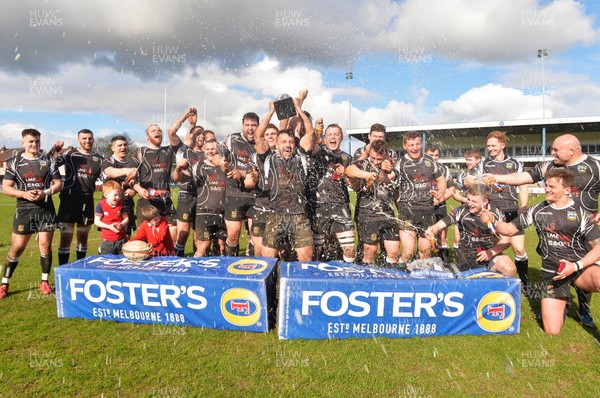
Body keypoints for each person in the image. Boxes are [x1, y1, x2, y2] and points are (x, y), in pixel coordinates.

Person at [482, 133, 600, 326]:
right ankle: (560, 300)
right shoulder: (549, 166)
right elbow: (523, 177)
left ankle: (584, 310)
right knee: (557, 263)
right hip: (554, 228)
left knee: (586, 268)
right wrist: (497, 177)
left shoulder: (595, 166)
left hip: (585, 229)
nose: (551, 152)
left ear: (572, 150)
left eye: (555, 149)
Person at [1, 129, 63, 298]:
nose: (34, 144)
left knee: (44, 245)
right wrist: (23, 194)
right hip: (24, 209)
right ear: (23, 143)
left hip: (45, 209)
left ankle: (44, 281)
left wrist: (46, 193)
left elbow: (58, 184)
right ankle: (4, 282)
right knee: (18, 247)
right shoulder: (14, 161)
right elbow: (6, 187)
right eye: (30, 141)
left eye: (36, 141)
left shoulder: (48, 160)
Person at [254, 93, 315, 262]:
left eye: (291, 142)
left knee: (306, 260)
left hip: (299, 215)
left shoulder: (301, 157)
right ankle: (272, 287)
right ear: (277, 144)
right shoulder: (268, 158)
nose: (288, 145)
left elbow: (309, 132)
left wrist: (298, 108)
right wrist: (272, 111)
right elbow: (258, 136)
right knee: (268, 261)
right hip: (275, 214)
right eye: (284, 142)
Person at [477, 131, 529, 291]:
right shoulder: (484, 164)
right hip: (493, 211)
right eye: (488, 146)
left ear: (502, 145)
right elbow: (478, 187)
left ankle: (525, 284)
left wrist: (523, 206)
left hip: (513, 210)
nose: (490, 149)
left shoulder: (514, 163)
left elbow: (523, 185)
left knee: (519, 248)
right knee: (495, 245)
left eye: (493, 145)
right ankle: (495, 280)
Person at [425, 185, 516, 276]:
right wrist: (432, 231)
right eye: (468, 199)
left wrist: (491, 252)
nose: (469, 204)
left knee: (510, 269)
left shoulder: (495, 212)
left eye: (474, 201)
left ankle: (503, 290)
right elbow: (438, 225)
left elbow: (506, 240)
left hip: (490, 255)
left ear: (485, 202)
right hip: (466, 258)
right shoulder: (461, 211)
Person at [395, 132, 446, 265]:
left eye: (417, 144)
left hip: (427, 211)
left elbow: (441, 180)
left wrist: (441, 193)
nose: (415, 148)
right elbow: (389, 182)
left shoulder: (430, 161)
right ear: (405, 146)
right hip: (407, 211)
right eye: (411, 145)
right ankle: (401, 277)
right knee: (408, 252)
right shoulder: (400, 163)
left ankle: (421, 280)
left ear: (421, 144)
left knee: (425, 252)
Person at [308, 123, 355, 262]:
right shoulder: (317, 151)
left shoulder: (347, 158)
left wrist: (345, 175)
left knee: (348, 249)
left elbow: (354, 185)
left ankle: (347, 278)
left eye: (336, 134)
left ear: (342, 137)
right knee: (317, 251)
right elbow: (310, 144)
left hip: (341, 206)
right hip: (318, 207)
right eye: (330, 134)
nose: (333, 137)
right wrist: (317, 130)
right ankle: (315, 279)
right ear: (325, 137)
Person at [346, 140, 399, 266]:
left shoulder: (391, 165)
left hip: (387, 213)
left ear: (386, 155)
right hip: (367, 215)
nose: (375, 161)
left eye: (379, 159)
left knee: (394, 251)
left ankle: (391, 279)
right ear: (370, 152)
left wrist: (383, 169)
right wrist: (366, 175)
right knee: (371, 251)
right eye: (373, 158)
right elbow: (349, 170)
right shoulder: (362, 163)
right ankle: (368, 278)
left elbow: (385, 179)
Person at [55, 129, 103, 264]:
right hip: (68, 200)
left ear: (93, 139)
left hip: (87, 200)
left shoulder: (99, 159)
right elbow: (50, 163)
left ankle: (79, 269)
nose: (87, 141)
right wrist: (56, 149)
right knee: (65, 238)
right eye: (84, 138)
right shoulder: (70, 155)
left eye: (90, 138)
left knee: (83, 237)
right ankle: (63, 271)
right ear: (78, 140)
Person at [174, 139, 228, 257]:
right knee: (203, 247)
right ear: (203, 151)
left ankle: (217, 273)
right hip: (204, 213)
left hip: (223, 213)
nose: (210, 152)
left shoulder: (224, 166)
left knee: (222, 248)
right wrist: (178, 168)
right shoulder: (197, 166)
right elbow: (179, 178)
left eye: (213, 149)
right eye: (207, 149)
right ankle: (194, 270)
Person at [132, 123, 182, 244]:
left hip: (165, 199)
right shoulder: (140, 152)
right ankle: (146, 261)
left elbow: (178, 136)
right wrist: (138, 189)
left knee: (173, 231)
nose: (157, 132)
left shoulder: (168, 151)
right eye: (153, 130)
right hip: (146, 200)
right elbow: (130, 177)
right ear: (147, 136)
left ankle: (169, 260)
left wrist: (190, 122)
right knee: (146, 236)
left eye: (159, 130)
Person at [220, 111, 260, 256]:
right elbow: (218, 154)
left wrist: (242, 173)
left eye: (254, 125)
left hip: (255, 196)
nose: (250, 128)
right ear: (242, 126)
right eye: (247, 125)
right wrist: (221, 162)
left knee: (256, 238)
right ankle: (231, 266)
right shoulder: (233, 139)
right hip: (234, 194)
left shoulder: (261, 143)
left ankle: (254, 267)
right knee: (233, 235)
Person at [169, 107, 202, 256]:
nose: (199, 136)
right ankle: (177, 262)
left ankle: (198, 264)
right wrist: (187, 118)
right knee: (183, 234)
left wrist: (194, 126)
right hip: (186, 194)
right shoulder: (182, 150)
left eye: (202, 134)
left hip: (203, 195)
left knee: (199, 237)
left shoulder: (208, 152)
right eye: (196, 133)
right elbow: (171, 131)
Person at [100, 135, 138, 238]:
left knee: (126, 236)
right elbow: (110, 172)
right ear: (113, 148)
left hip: (126, 204)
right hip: (110, 204)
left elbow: (135, 182)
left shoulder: (131, 162)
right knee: (110, 236)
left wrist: (133, 191)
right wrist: (126, 171)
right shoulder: (108, 161)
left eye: (125, 145)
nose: (123, 147)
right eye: (119, 145)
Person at [425, 143, 456, 262]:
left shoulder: (443, 168)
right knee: (425, 236)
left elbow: (452, 189)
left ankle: (444, 264)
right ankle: (427, 262)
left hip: (440, 206)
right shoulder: (420, 166)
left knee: (441, 236)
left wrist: (440, 199)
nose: (434, 157)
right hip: (423, 207)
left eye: (436, 155)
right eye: (431, 155)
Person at [94, 180, 128, 254]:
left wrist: (122, 224)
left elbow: (126, 218)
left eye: (119, 195)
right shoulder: (101, 205)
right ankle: (101, 251)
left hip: (121, 240)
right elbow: (96, 221)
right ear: (106, 195)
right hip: (108, 241)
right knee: (108, 261)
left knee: (122, 261)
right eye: (115, 195)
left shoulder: (121, 204)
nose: (118, 197)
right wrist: (109, 226)